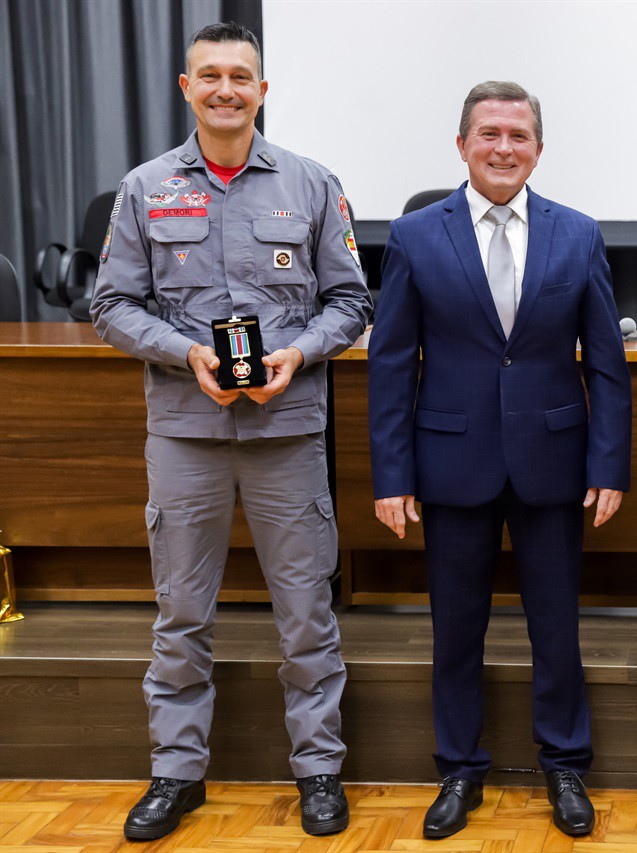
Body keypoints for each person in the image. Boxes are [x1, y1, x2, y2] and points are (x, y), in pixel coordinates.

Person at [90, 22, 371, 842]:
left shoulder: (313, 185)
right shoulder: (143, 190)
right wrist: (185, 353)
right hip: (185, 433)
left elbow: (351, 303)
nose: (224, 89)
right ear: (186, 89)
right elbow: (110, 305)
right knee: (180, 614)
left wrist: (297, 352)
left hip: (287, 430)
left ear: (262, 89)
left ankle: (319, 768)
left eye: (239, 76)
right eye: (208, 75)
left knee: (306, 613)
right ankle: (176, 773)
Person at [367, 81, 632, 840]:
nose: (504, 147)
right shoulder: (417, 235)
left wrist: (609, 463)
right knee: (456, 628)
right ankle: (458, 766)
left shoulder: (576, 234)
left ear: (539, 150)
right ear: (462, 146)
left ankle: (566, 765)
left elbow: (607, 364)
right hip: (450, 462)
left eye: (519, 136)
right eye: (489, 134)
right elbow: (391, 364)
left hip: (554, 460)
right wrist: (392, 477)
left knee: (557, 626)